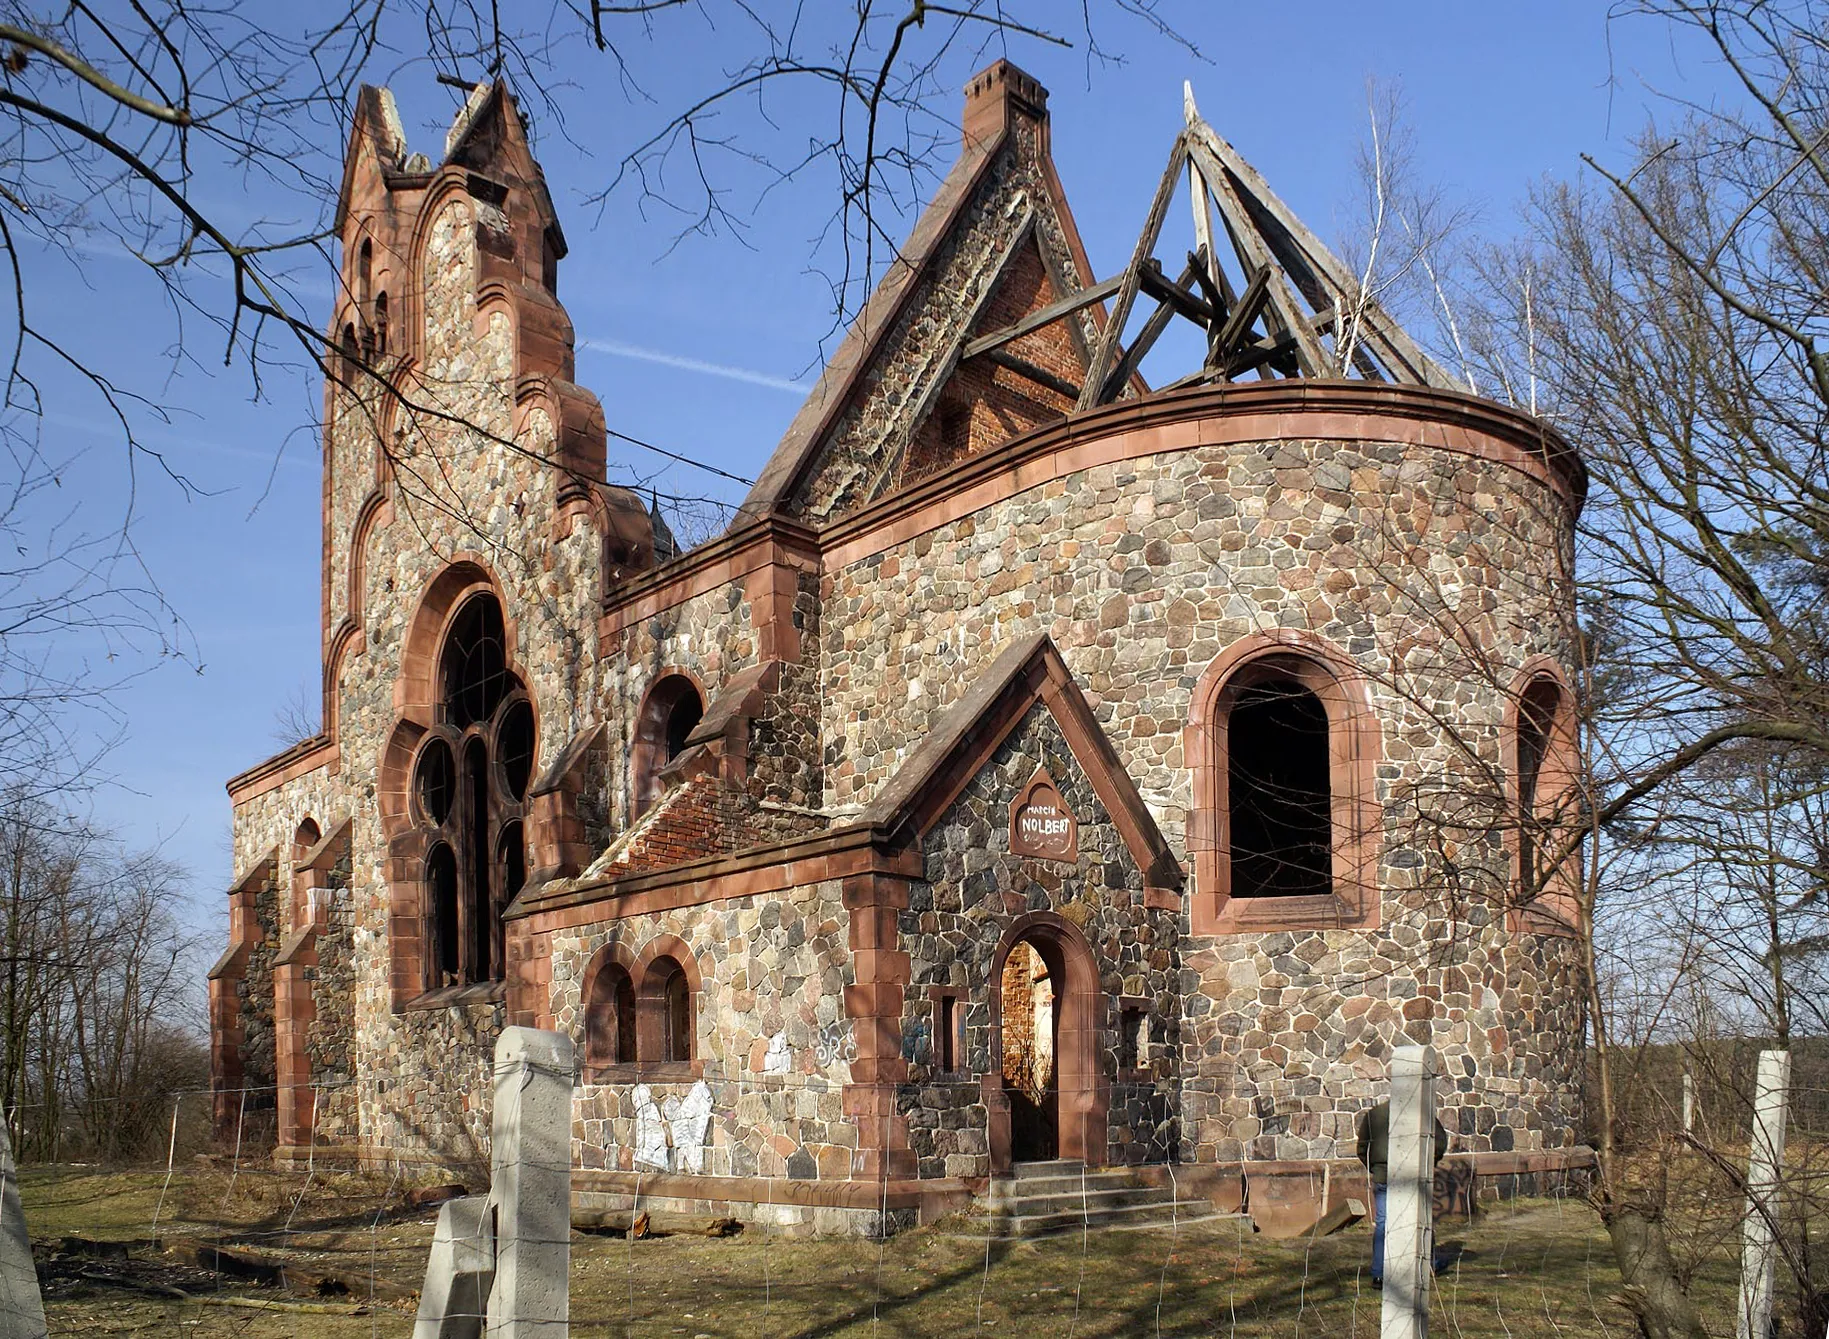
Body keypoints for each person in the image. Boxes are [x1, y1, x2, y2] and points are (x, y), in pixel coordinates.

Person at [1356, 1097, 1449, 1288]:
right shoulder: (1420, 1111)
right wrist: (1429, 1163)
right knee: (1420, 1218)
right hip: (1412, 1174)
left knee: (1383, 1223)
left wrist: (1375, 1168)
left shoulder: (1374, 1114)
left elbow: (1362, 1148)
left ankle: (1379, 1273)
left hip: (1384, 1175)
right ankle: (1428, 1264)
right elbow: (1439, 1143)